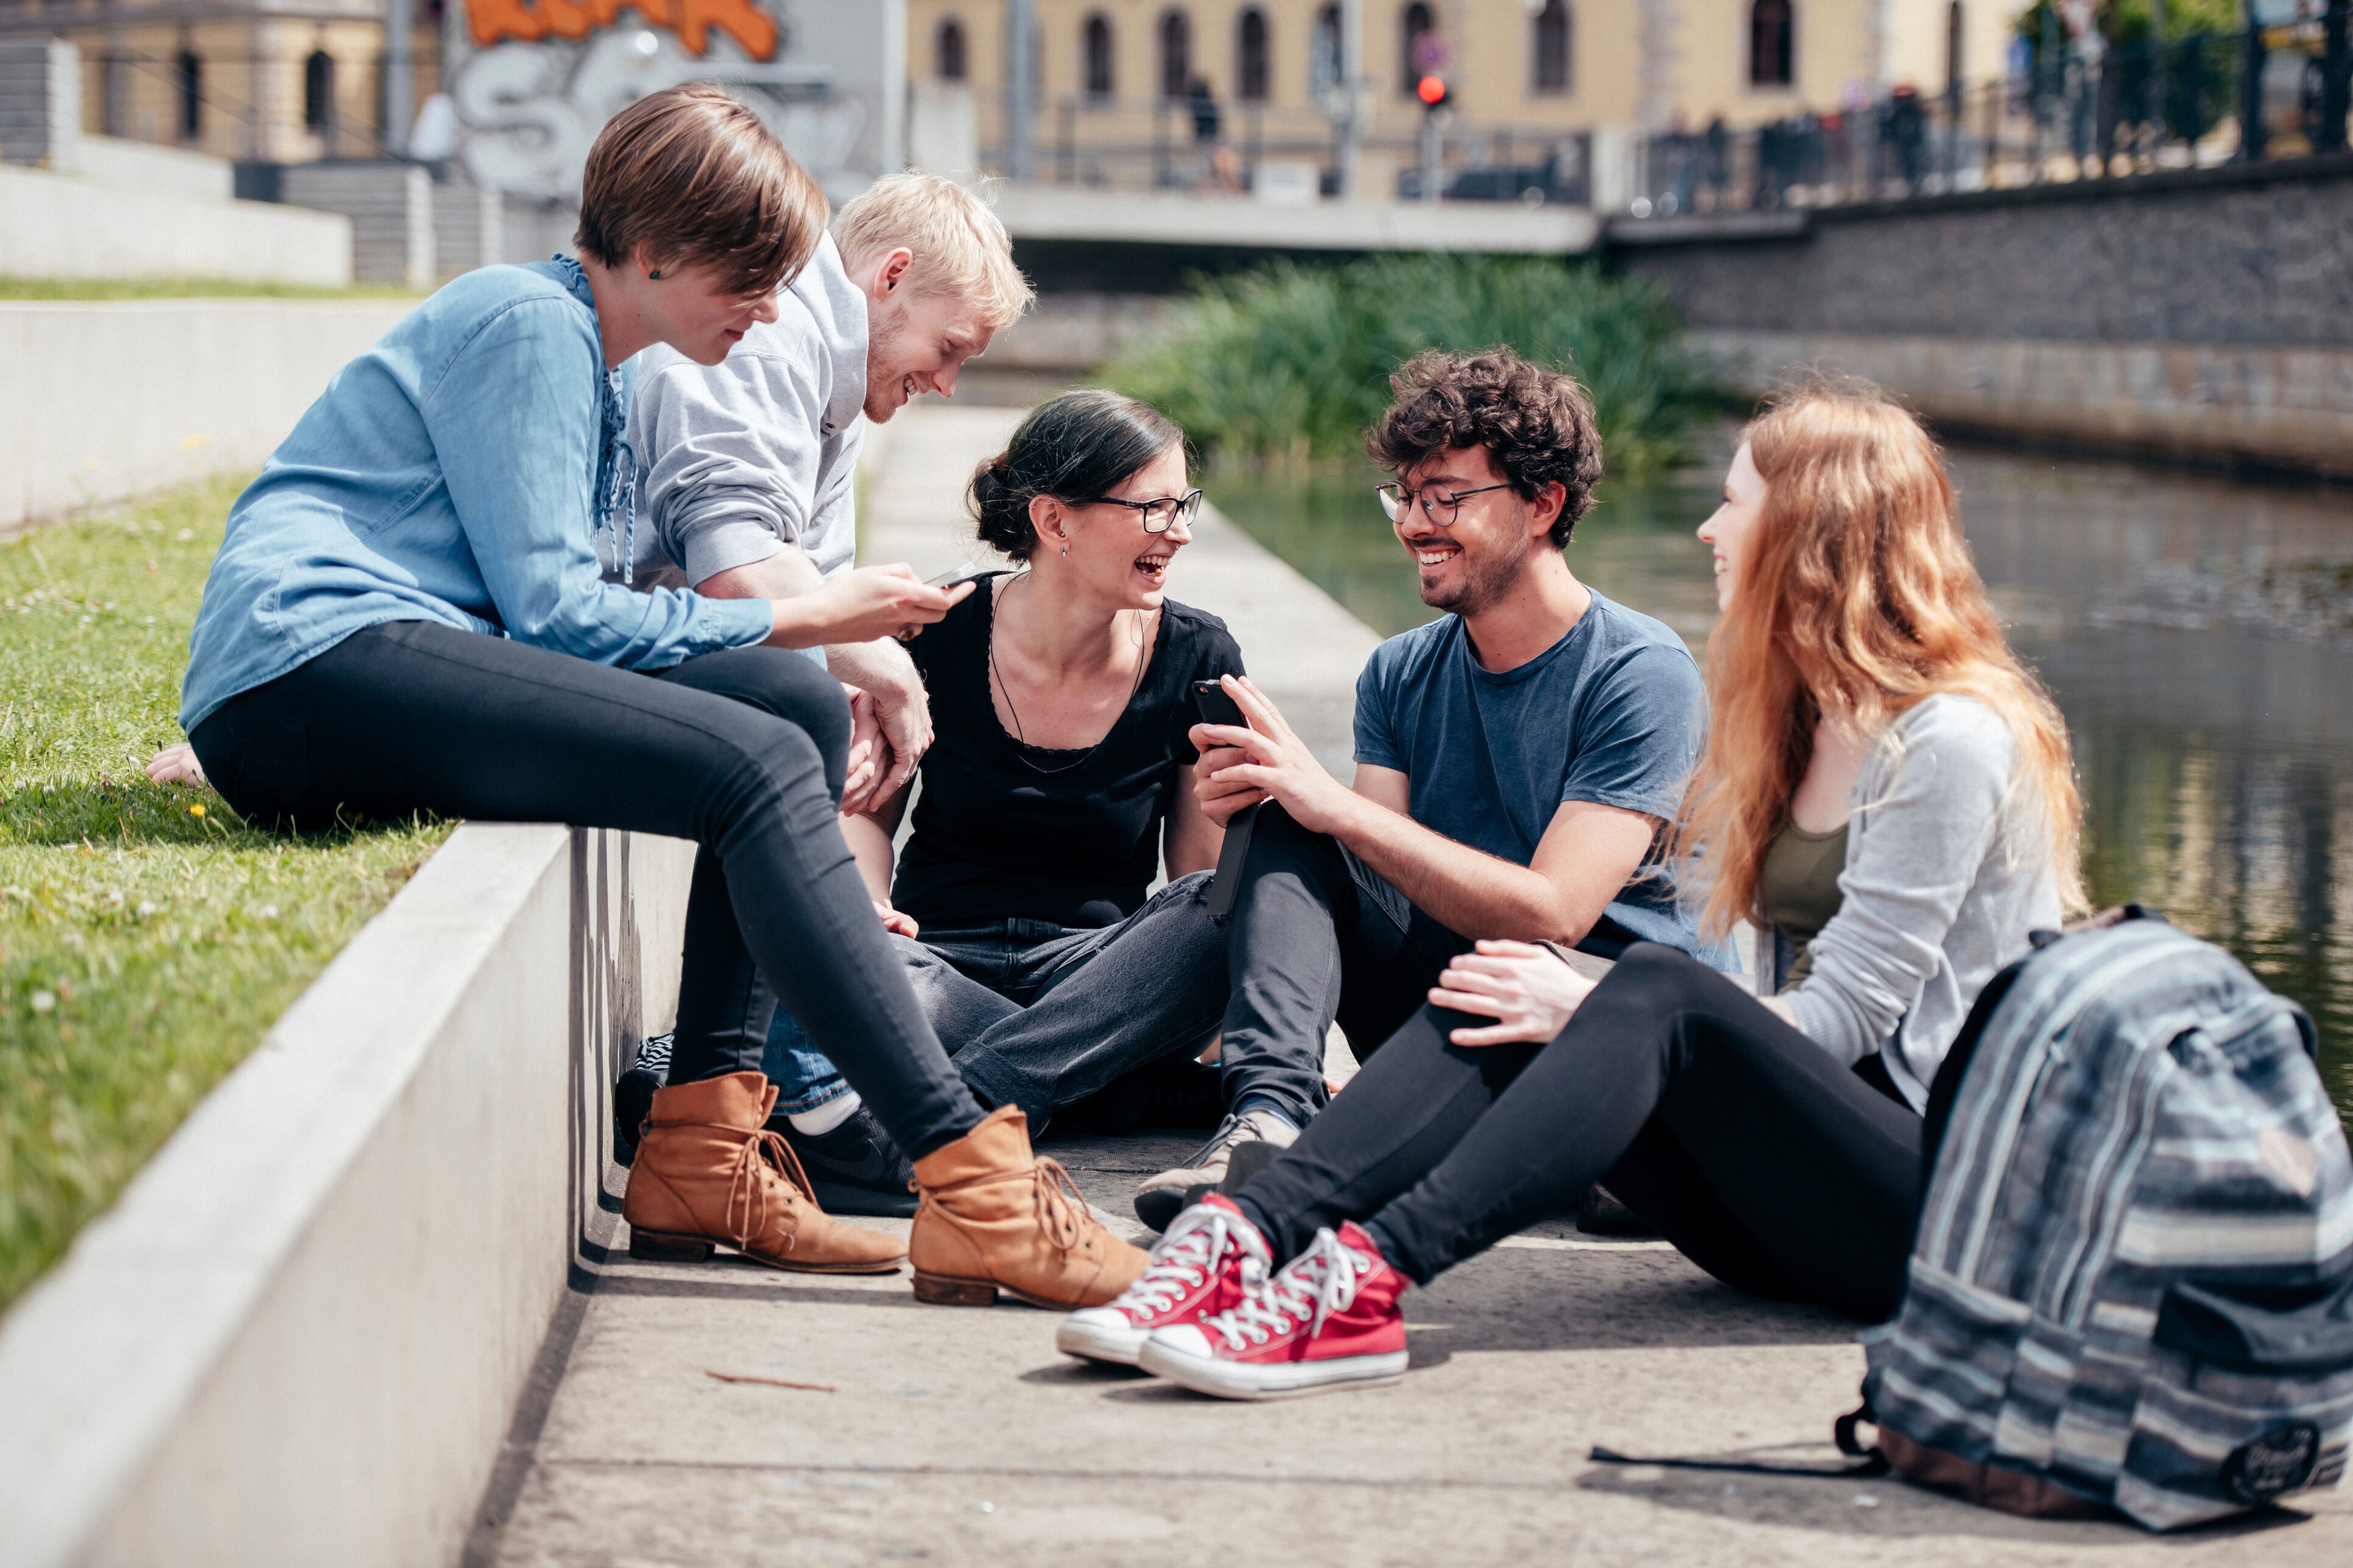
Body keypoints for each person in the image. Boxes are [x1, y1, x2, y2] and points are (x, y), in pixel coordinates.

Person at [171, 85, 1144, 1313]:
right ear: (657, 253)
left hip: (372, 665)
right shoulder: (529, 325)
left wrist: (794, 654)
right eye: (750, 280)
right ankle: (976, 1182)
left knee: (786, 711)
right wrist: (807, 616)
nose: (770, 311)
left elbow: (586, 606)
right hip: (321, 664)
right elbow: (558, 617)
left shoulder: (598, 357)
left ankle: (703, 1153)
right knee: (750, 762)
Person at [1064, 385, 2084, 1394]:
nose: (1708, 526)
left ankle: (1362, 1287)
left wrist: (1589, 1005)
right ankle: (1244, 1239)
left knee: (1634, 984)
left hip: (1932, 1208)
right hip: (1774, 1213)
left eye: (1735, 503)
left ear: (1817, 526)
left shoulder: (1951, 738)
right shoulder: (1796, 726)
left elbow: (1850, 1012)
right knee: (1516, 985)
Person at [1124, 347, 1718, 1231]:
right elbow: (1375, 873)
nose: (1412, 523)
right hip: (1464, 1008)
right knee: (1297, 822)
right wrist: (1290, 803)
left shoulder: (1641, 674)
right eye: (1403, 496)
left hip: (1596, 1028)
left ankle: (1564, 1151)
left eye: (1444, 497)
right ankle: (1271, 1118)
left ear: (1544, 504)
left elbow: (1557, 910)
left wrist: (1335, 806)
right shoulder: (1400, 672)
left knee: (1329, 811)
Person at [613, 172, 1035, 1206]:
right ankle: (813, 1101)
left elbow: (810, 597)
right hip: (603, 628)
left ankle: (747, 1082)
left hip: (667, 635)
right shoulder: (766, 337)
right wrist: (881, 667)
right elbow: (740, 567)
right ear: (890, 278)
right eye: (950, 350)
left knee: (809, 714)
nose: (946, 383)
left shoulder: (836, 391)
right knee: (796, 711)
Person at [760, 390, 1269, 1215]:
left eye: (1184, 504)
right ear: (1054, 522)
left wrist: (1193, 999)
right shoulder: (938, 628)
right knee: (865, 959)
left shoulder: (1199, 652)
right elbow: (864, 811)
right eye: (1152, 507)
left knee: (1234, 904)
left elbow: (1201, 881)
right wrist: (870, 909)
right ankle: (1098, 1082)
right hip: (939, 957)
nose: (1177, 529)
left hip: (1098, 971)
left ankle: (956, 1113)